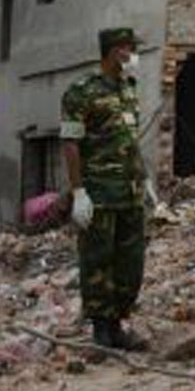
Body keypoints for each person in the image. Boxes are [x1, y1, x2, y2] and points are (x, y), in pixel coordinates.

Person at [62, 27, 154, 350]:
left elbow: (129, 140)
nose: (134, 56)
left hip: (130, 191)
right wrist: (78, 192)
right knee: (98, 261)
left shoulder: (128, 88)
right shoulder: (81, 92)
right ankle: (102, 330)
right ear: (115, 51)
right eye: (130, 49)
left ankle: (118, 323)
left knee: (130, 262)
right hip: (99, 192)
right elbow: (71, 143)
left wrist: (145, 179)